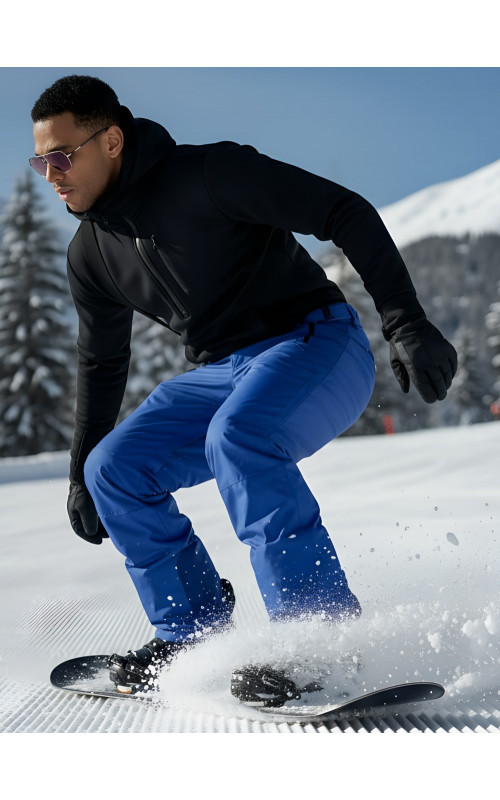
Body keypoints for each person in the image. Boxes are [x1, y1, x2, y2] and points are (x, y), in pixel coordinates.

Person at [30, 75, 457, 697]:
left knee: (240, 437)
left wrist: (406, 321)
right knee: (113, 469)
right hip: (220, 373)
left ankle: (321, 641)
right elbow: (101, 361)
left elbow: (344, 210)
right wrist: (78, 472)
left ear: (113, 140)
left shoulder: (208, 175)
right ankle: (192, 636)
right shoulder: (90, 252)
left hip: (315, 342)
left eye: (62, 156)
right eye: (40, 159)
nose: (51, 174)